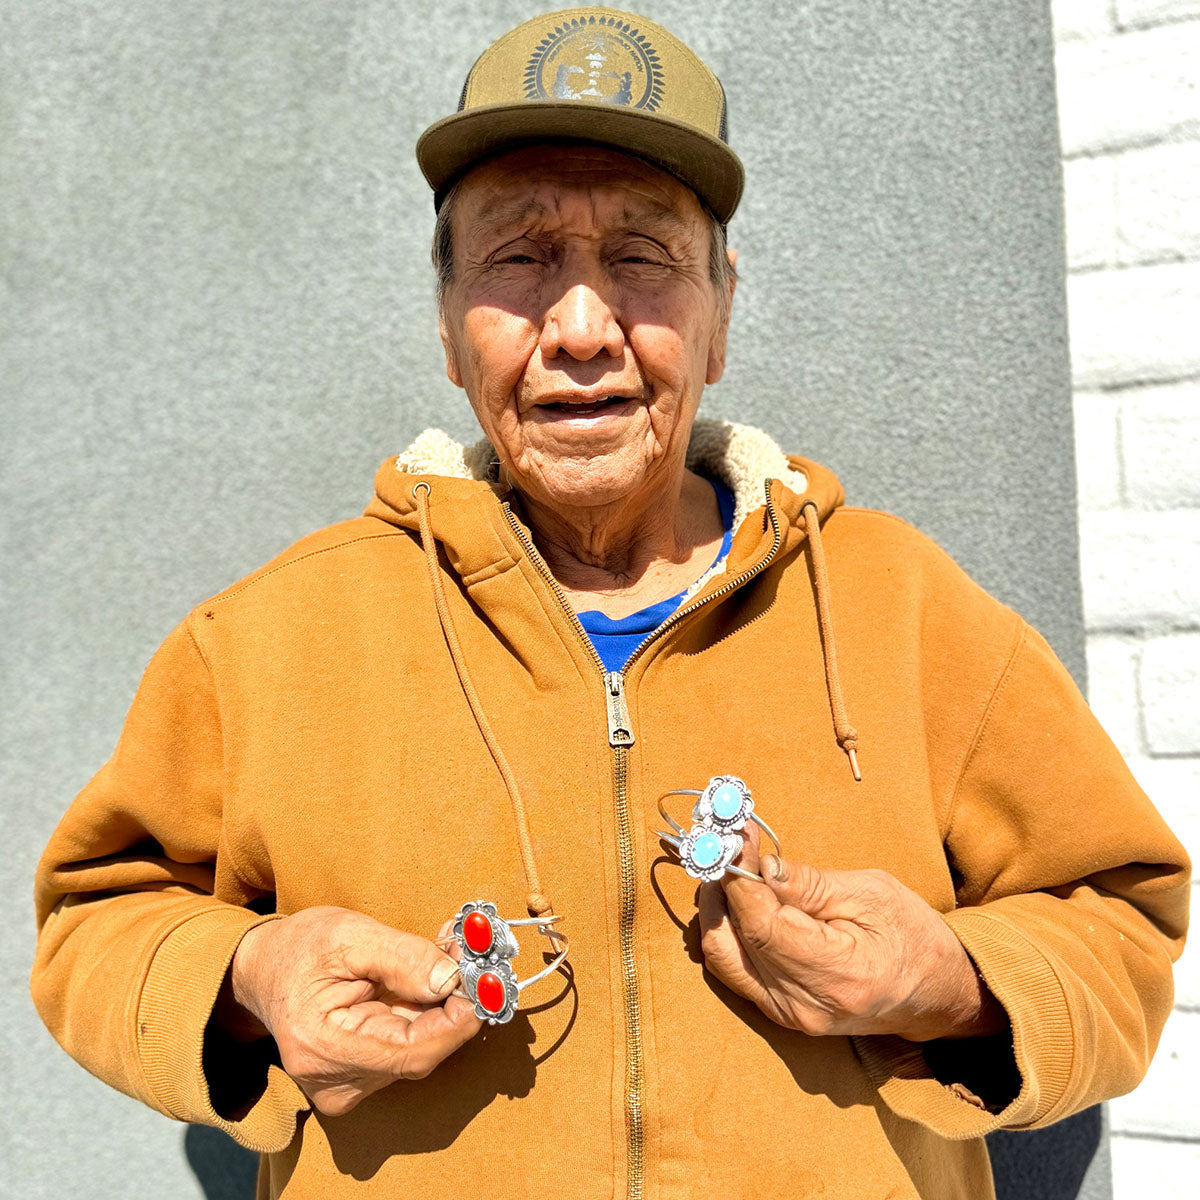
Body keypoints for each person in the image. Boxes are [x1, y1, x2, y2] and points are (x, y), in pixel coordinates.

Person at [31, 7, 1189, 1199]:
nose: (581, 330)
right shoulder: (268, 639)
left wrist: (954, 982)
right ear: (446, 324)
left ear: (721, 311)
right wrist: (249, 979)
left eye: (641, 259)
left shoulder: (905, 608)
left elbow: (1119, 915)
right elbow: (96, 925)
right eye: (520, 259)